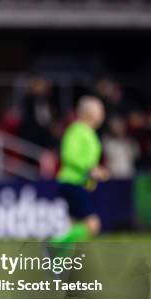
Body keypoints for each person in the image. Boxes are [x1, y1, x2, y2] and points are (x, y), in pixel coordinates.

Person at [49, 96, 108, 244]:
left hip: (80, 183)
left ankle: (58, 263)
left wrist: (94, 174)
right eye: (100, 110)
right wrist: (91, 168)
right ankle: (55, 243)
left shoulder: (88, 132)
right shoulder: (76, 130)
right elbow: (68, 155)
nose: (103, 114)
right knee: (93, 225)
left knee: (73, 225)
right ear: (89, 113)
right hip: (72, 182)